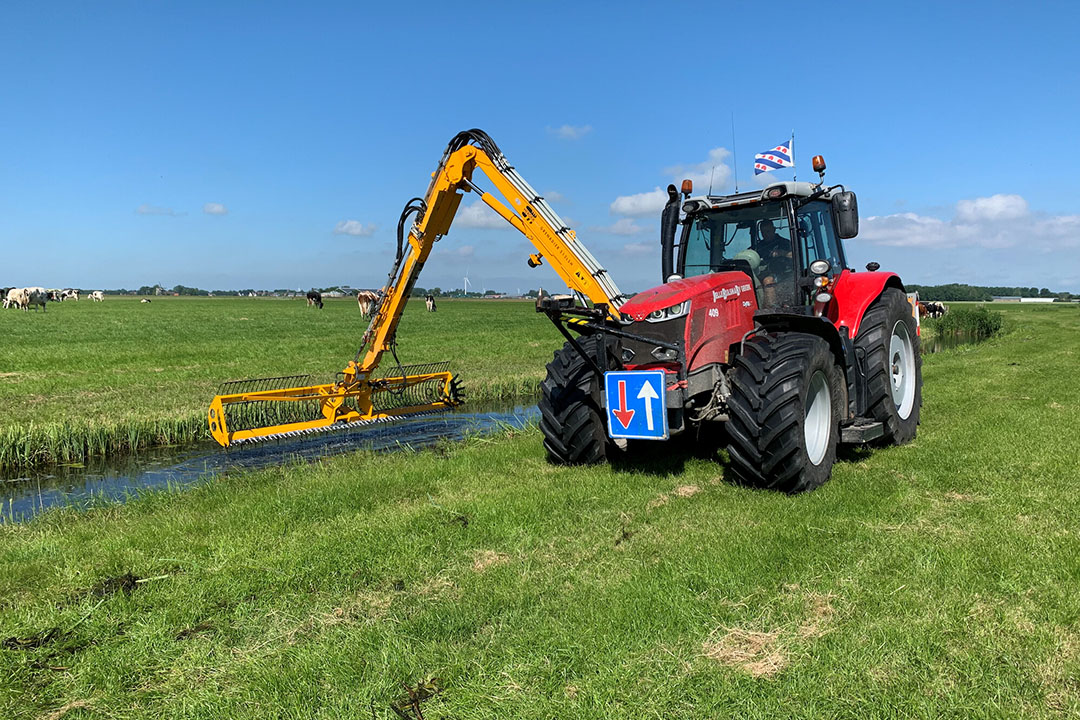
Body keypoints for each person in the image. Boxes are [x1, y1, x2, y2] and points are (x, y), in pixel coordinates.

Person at [757, 219, 794, 306]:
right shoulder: (759, 246)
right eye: (763, 232)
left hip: (785, 273)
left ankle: (770, 309)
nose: (766, 234)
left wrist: (782, 253)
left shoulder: (784, 243)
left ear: (774, 229)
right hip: (763, 272)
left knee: (768, 280)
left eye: (768, 231)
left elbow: (796, 256)